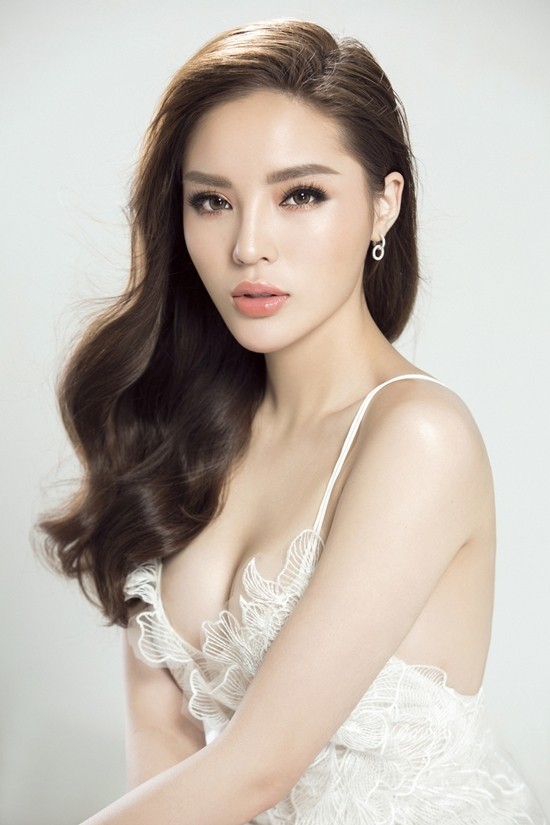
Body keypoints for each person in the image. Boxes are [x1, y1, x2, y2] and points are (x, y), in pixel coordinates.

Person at [40, 18, 547, 825]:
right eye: (212, 201)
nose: (249, 245)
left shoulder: (419, 437)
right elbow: (164, 756)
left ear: (384, 204)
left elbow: (255, 768)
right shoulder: (174, 436)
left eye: (300, 195)